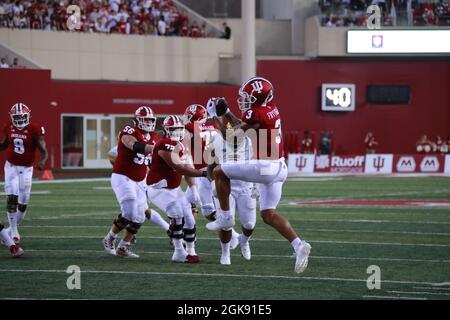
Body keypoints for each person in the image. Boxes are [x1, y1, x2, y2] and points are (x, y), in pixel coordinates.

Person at [205, 77, 311, 273]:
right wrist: (227, 113)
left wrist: (215, 116)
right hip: (280, 167)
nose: (244, 100)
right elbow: (247, 124)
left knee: (220, 171)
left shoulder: (256, 112)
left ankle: (225, 219)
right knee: (268, 215)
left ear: (258, 97)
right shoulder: (270, 107)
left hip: (266, 167)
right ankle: (299, 245)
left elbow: (231, 137)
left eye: (248, 97)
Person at [146, 115, 208, 263]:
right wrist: (205, 173)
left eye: (179, 128)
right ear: (166, 130)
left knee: (190, 219)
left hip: (174, 188)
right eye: (173, 129)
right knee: (177, 214)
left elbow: (188, 167)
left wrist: (193, 188)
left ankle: (191, 251)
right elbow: (179, 168)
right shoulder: (164, 144)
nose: (176, 132)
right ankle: (179, 251)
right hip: (158, 189)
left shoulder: (182, 144)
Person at [102, 106, 156, 258]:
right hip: (123, 176)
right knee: (130, 211)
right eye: (145, 119)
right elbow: (134, 145)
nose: (148, 122)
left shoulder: (153, 136)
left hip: (140, 180)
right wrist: (156, 148)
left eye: (151, 120)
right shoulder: (129, 130)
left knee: (139, 216)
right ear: (137, 120)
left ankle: (123, 246)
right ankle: (109, 238)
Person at [207, 121, 257, 265]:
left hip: (245, 186)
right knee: (226, 224)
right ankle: (225, 253)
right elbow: (210, 165)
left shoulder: (248, 141)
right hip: (224, 185)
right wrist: (212, 182)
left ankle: (244, 241)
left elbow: (255, 164)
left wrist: (256, 184)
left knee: (249, 224)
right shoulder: (215, 141)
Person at [0, 103, 48, 246]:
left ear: (28, 116)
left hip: (27, 169)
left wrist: (43, 161)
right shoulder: (8, 127)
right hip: (11, 167)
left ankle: (9, 231)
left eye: (22, 116)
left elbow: (43, 149)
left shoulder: (34, 129)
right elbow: (4, 144)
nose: (20, 119)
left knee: (23, 203)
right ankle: (14, 231)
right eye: (17, 117)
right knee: (12, 197)